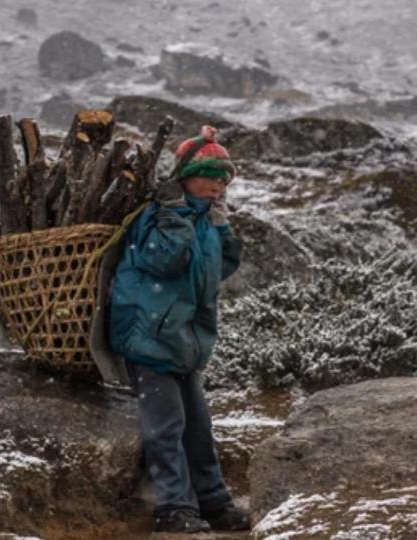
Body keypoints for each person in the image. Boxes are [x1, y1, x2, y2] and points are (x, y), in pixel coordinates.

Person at [107, 125, 250, 533]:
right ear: (185, 176)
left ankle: (213, 504)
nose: (218, 186)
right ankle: (173, 508)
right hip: (149, 338)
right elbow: (162, 262)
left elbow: (220, 268)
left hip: (184, 340)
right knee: (167, 427)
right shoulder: (158, 215)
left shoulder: (205, 220)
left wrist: (221, 228)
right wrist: (174, 216)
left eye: (224, 179)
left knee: (198, 428)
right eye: (209, 176)